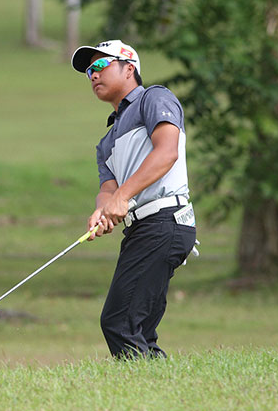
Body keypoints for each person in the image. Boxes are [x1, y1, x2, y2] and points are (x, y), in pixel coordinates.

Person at [71, 40, 197, 359]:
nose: (92, 75)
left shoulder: (154, 98)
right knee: (138, 329)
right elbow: (109, 189)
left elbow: (166, 152)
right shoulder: (106, 140)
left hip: (165, 220)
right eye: (88, 71)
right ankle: (160, 388)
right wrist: (102, 209)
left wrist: (123, 196)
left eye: (100, 66)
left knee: (119, 323)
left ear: (129, 68)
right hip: (141, 230)